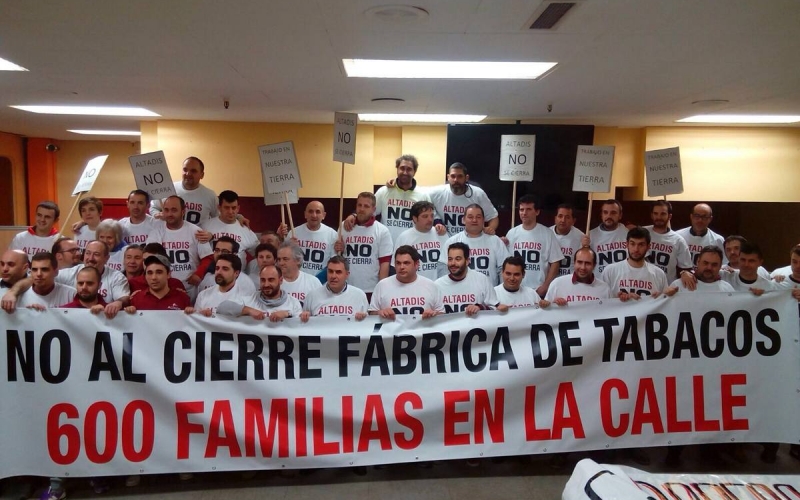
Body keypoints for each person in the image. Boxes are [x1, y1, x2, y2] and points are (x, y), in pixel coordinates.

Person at [343, 154, 434, 242]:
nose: (405, 172)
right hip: (385, 244)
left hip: (411, 245)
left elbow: (432, 218)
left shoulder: (423, 195)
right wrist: (354, 215)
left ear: (414, 172)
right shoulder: (384, 191)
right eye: (402, 168)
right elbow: (369, 209)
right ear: (397, 169)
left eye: (409, 169)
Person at [146, 195, 214, 297]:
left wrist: (198, 274)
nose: (169, 214)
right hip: (164, 287)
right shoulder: (156, 232)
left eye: (174, 210)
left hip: (190, 287)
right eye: (166, 210)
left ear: (183, 211)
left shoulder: (195, 231)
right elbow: (149, 259)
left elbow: (208, 257)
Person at [504, 195, 563, 296]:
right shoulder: (511, 233)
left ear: (537, 211)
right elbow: (505, 263)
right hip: (515, 289)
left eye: (528, 209)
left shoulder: (547, 233)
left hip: (538, 290)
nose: (524, 213)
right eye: (521, 209)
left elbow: (555, 262)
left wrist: (545, 286)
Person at [336, 192, 393, 295]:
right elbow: (337, 255)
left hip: (370, 289)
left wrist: (381, 290)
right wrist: (340, 249)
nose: (362, 209)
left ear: (374, 209)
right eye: (359, 205)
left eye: (366, 206)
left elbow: (384, 263)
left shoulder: (382, 230)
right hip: (346, 287)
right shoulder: (345, 225)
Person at [368, 245, 444, 320]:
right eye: (398, 263)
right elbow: (371, 314)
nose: (401, 267)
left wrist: (433, 314)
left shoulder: (431, 286)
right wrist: (380, 313)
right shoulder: (382, 285)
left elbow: (442, 316)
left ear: (416, 264)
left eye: (406, 263)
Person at [601, 227, 676, 300]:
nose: (636, 249)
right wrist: (618, 299)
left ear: (648, 247)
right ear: (627, 244)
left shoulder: (659, 274)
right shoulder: (610, 271)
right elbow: (601, 302)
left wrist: (664, 296)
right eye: (632, 244)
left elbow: (665, 303)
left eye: (641, 245)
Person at [442, 204, 509, 286]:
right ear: (463, 220)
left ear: (483, 220)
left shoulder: (495, 241)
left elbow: (504, 268)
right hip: (460, 291)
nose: (474, 220)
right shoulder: (452, 242)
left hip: (489, 291)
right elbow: (443, 270)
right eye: (470, 217)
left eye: (478, 217)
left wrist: (501, 291)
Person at [426, 162, 499, 236]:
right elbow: (423, 202)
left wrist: (489, 230)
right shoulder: (436, 193)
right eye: (453, 176)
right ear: (448, 177)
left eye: (460, 176)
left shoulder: (478, 194)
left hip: (470, 239)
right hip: (445, 239)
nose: (456, 180)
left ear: (466, 178)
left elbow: (493, 217)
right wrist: (437, 221)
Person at [435, 243, 504, 315]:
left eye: (458, 259)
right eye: (450, 259)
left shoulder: (481, 280)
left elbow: (495, 309)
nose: (453, 263)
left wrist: (480, 307)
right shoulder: (438, 285)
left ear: (467, 261)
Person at [218, 265, 303, 321]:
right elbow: (221, 307)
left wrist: (287, 314)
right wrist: (248, 310)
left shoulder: (293, 303)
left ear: (280, 280)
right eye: (263, 280)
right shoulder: (249, 300)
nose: (266, 284)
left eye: (271, 280)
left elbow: (300, 327)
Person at [150, 156, 219, 225]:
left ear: (202, 175)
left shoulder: (210, 196)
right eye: (185, 170)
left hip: (198, 232)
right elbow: (153, 207)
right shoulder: (169, 189)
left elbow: (218, 219)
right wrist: (157, 215)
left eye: (193, 171)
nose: (188, 174)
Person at [300, 256, 369, 322]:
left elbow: (367, 325)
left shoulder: (359, 295)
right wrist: (304, 317)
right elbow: (304, 326)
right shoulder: (312, 296)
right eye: (330, 271)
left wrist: (364, 319)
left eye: (338, 272)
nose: (333, 276)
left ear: (347, 274)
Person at [279, 200, 338, 275]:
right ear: (305, 214)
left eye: (318, 212)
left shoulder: (332, 234)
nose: (314, 215)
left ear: (324, 215)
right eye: (310, 211)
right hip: (298, 278)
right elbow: (284, 258)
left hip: (321, 279)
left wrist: (320, 279)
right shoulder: (294, 233)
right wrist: (290, 247)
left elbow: (333, 262)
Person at [393, 201, 447, 281]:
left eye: (432, 216)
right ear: (415, 218)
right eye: (425, 216)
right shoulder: (404, 237)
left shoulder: (441, 233)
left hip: (439, 284)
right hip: (414, 285)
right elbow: (396, 266)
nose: (430, 219)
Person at [201, 190, 259, 264]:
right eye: (226, 208)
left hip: (238, 270)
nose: (230, 212)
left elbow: (259, 253)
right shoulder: (206, 226)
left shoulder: (245, 230)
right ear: (219, 208)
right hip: (212, 269)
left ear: (238, 208)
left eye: (233, 208)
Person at [540, 247, 611, 307]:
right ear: (574, 263)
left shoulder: (604, 288)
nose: (583, 267)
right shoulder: (557, 283)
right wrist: (553, 305)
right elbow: (546, 312)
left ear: (594, 265)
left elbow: (610, 313)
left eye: (587, 263)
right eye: (579, 262)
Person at [644, 200, 692, 281]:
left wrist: (684, 273)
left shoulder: (678, 240)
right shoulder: (642, 233)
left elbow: (685, 268)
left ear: (669, 216)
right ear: (652, 215)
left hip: (667, 285)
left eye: (663, 214)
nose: (659, 217)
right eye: (655, 213)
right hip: (644, 283)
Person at [125, 255, 191, 312]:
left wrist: (191, 312)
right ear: (145, 276)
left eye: (159, 272)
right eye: (150, 273)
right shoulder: (136, 299)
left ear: (168, 274)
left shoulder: (182, 298)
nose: (154, 277)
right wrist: (128, 312)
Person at [587, 199, 628, 276]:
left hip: (623, 280)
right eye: (605, 212)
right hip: (600, 281)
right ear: (601, 215)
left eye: (613, 213)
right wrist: (584, 247)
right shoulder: (590, 235)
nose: (609, 216)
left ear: (620, 215)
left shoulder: (628, 233)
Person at [670, 246, 734, 292]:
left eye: (714, 264)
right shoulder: (679, 286)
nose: (709, 268)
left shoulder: (727, 289)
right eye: (705, 263)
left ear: (720, 266)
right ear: (698, 262)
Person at [550, 204, 585, 277]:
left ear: (573, 221)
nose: (563, 220)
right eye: (560, 216)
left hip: (570, 279)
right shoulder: (547, 234)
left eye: (567, 217)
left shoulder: (581, 237)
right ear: (555, 218)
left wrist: (586, 247)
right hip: (550, 280)